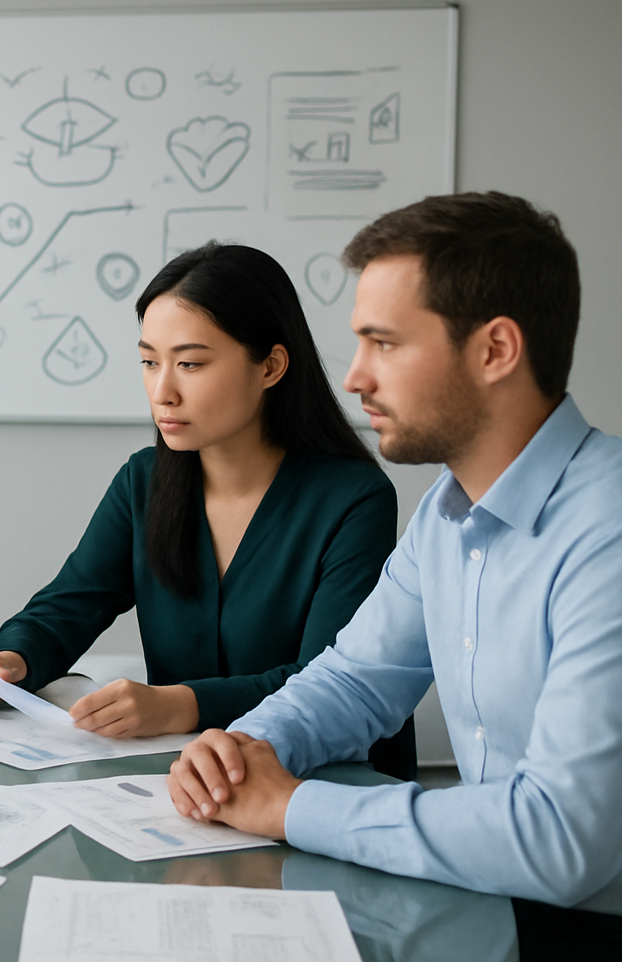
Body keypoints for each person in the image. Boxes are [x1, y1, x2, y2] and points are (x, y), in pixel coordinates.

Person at [166, 193, 622, 954]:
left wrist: (290, 808)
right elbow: (355, 679)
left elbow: (561, 840)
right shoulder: (448, 510)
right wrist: (245, 748)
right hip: (493, 902)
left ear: (495, 350)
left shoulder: (607, 528)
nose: (353, 378)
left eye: (384, 344)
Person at [0, 242, 413, 776]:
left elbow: (329, 683)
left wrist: (177, 704)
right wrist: (12, 662)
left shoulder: (353, 499)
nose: (162, 391)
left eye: (190, 363)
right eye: (149, 361)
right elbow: (67, 607)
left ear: (271, 366)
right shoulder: (143, 481)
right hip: (192, 784)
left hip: (325, 781)